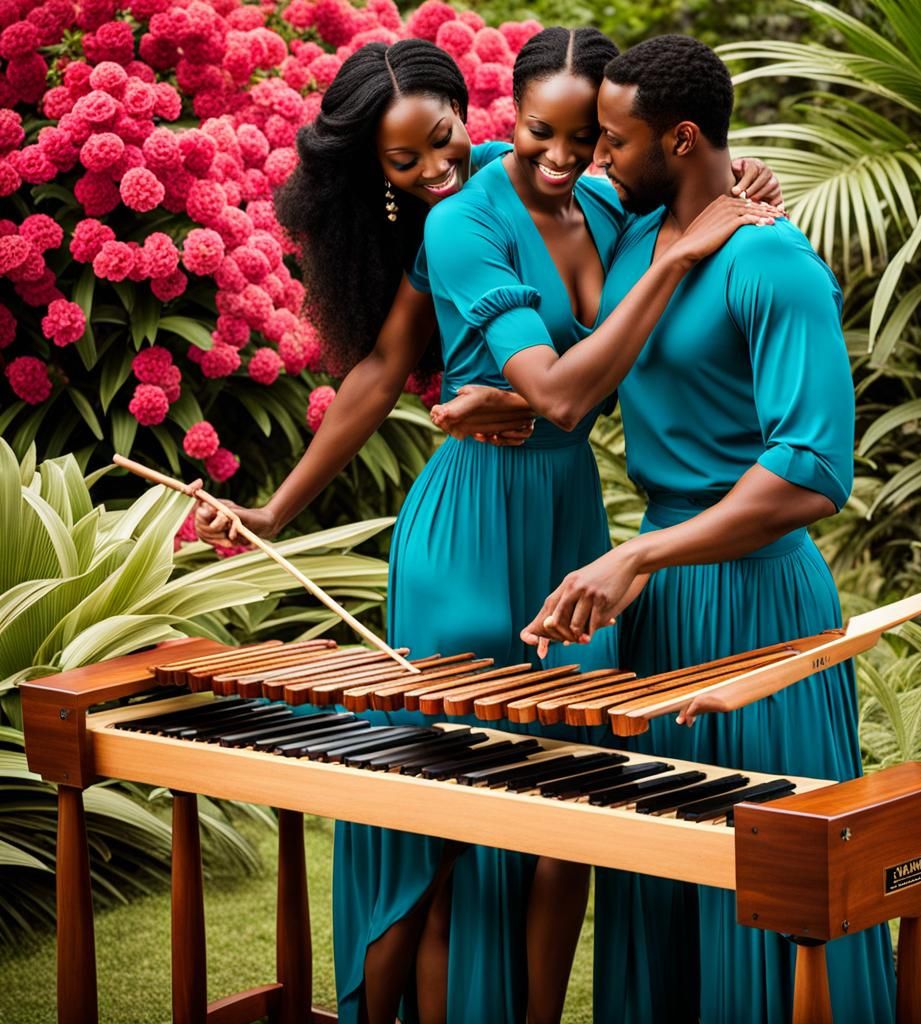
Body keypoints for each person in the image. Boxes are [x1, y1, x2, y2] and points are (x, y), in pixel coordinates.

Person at [195, 34, 781, 1024]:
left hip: (571, 530)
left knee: (570, 812)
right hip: (466, 534)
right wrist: (273, 506)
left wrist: (729, 173)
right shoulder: (462, 225)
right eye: (404, 162)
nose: (434, 169)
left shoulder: (603, 197)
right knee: (449, 817)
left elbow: (663, 247)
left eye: (441, 140)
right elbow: (393, 375)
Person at [518, 35, 896, 1024]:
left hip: (758, 599)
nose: (596, 159)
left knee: (767, 881)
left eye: (615, 139)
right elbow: (496, 168)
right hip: (662, 605)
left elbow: (811, 471)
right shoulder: (637, 235)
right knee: (661, 879)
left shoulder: (772, 259)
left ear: (681, 138)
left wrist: (641, 548)